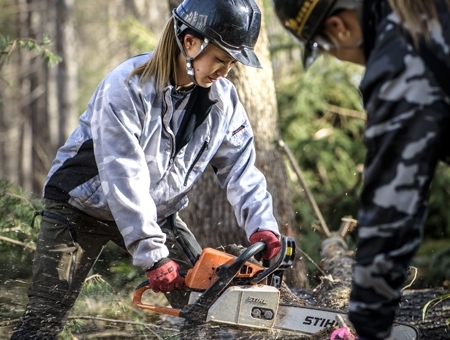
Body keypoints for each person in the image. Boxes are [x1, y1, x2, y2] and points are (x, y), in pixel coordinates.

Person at [11, 0, 283, 338]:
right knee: (44, 317)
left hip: (156, 213)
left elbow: (241, 170)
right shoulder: (127, 86)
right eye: (220, 60)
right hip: (80, 206)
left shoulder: (223, 101)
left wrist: (263, 226)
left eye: (230, 63)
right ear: (190, 42)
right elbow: (123, 176)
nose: (223, 72)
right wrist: (154, 256)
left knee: (207, 303)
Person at [272, 0, 450, 339]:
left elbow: (393, 206)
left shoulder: (399, 59)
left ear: (341, 28)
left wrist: (368, 322)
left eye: (326, 48)